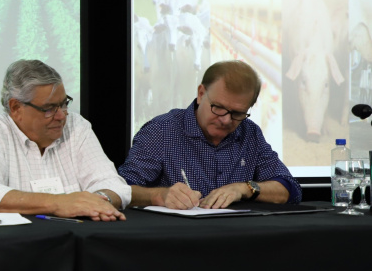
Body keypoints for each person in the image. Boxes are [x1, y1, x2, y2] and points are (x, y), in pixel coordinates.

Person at [119, 60, 302, 209]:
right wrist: (159, 195)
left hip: (238, 239)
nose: (226, 120)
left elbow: (289, 189)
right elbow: (121, 190)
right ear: (201, 94)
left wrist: (244, 189)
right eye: (219, 108)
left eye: (237, 113)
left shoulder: (249, 133)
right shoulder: (161, 131)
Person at [0, 59, 128, 221]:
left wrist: (95, 202)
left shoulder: (76, 126)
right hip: (13, 243)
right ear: (16, 108)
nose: (61, 116)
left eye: (64, 104)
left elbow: (112, 182)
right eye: (49, 109)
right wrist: (58, 203)